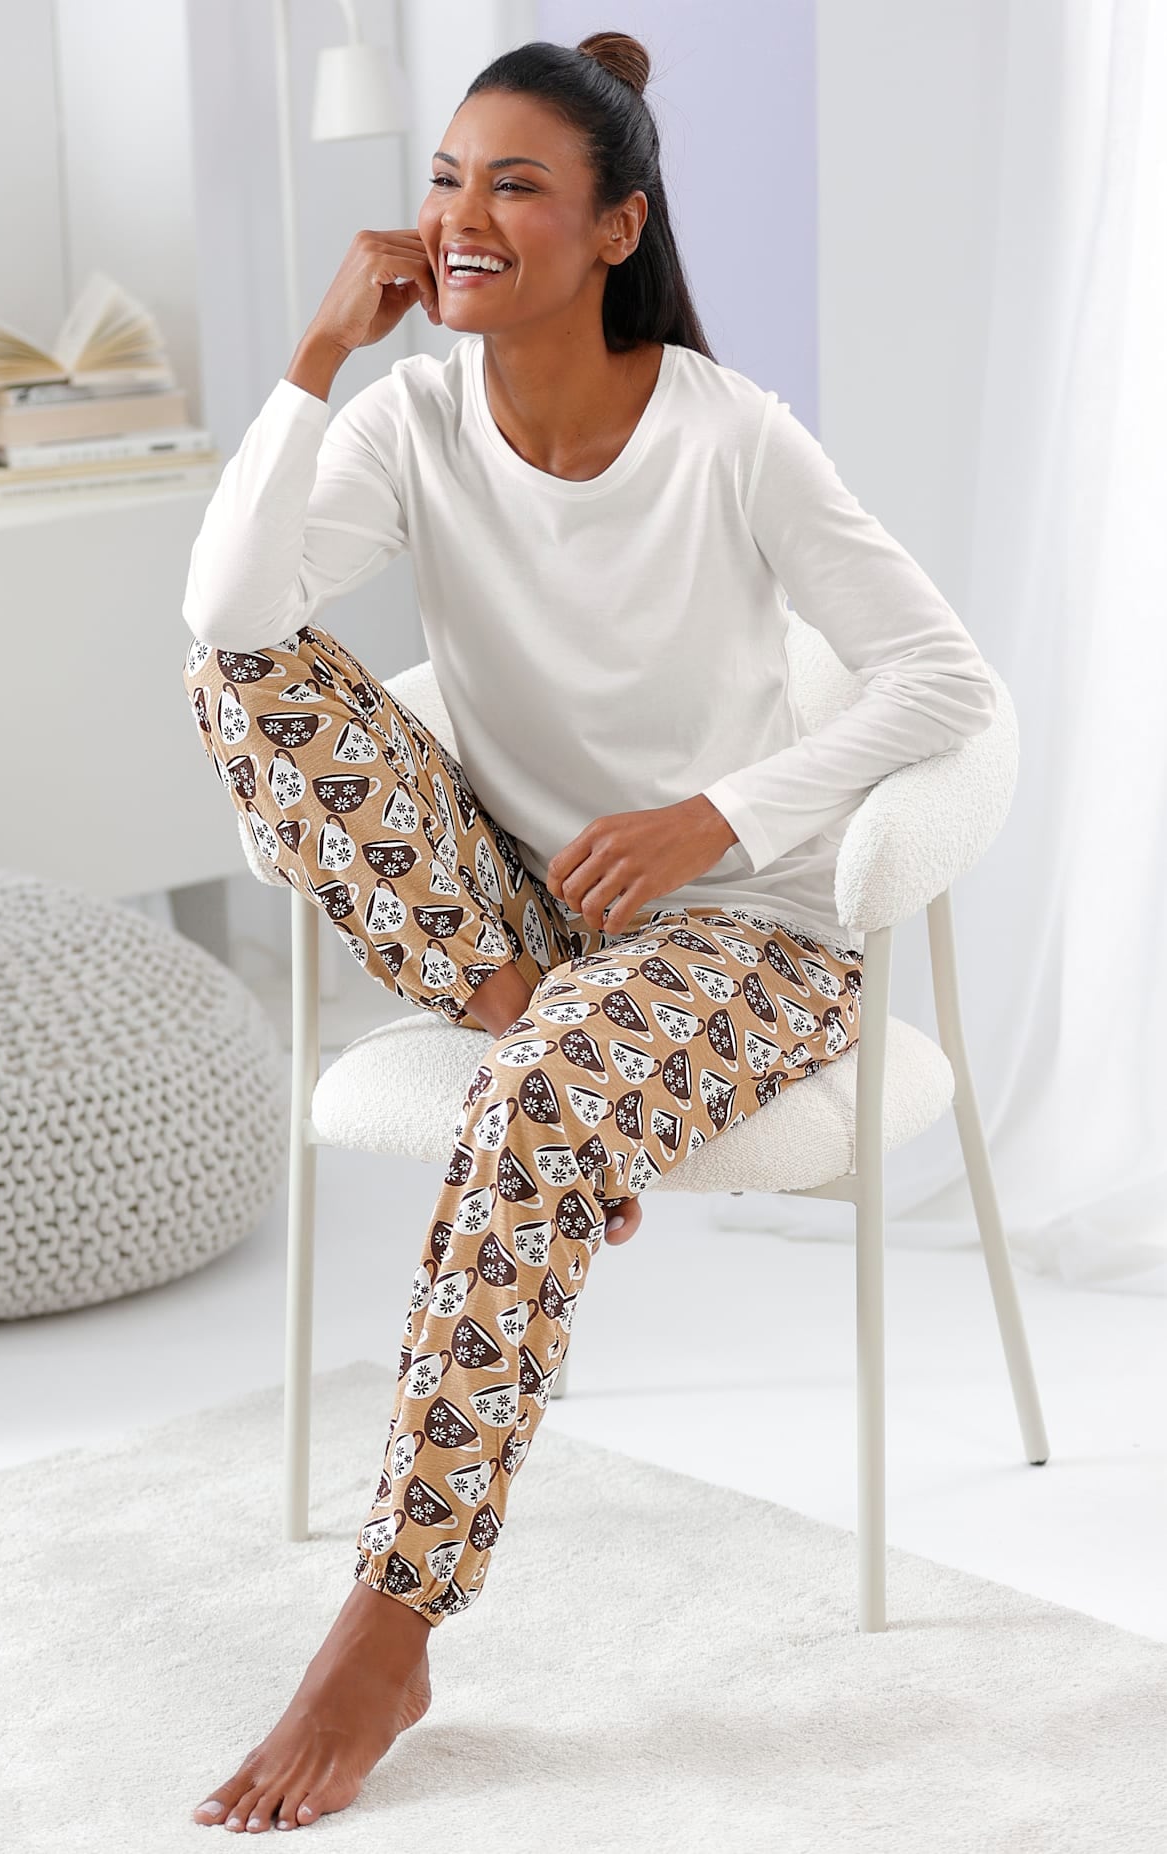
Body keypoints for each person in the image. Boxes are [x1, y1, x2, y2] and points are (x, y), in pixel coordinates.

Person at [182, 31, 997, 1834]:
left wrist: (723, 813)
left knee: (546, 1096)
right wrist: (317, 355)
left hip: (743, 939)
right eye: (444, 181)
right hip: (522, 915)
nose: (460, 218)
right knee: (238, 682)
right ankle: (536, 1042)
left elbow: (946, 679)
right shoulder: (407, 422)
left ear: (619, 226)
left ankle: (389, 1627)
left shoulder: (730, 436)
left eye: (516, 185)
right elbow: (234, 617)